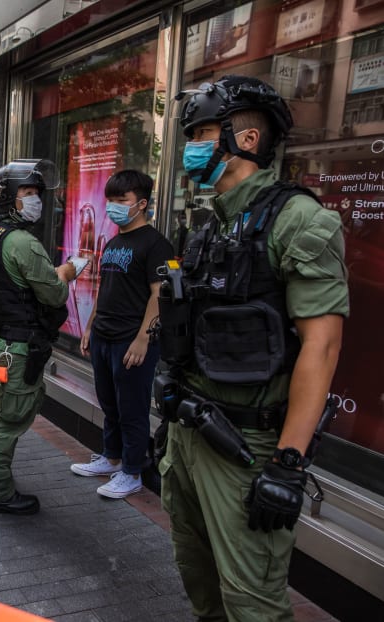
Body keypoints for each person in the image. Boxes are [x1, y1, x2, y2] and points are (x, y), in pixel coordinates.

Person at [157, 75, 348, 621]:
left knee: (252, 601)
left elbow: (324, 345)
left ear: (244, 141)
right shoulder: (208, 226)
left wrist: (288, 463)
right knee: (197, 574)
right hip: (188, 434)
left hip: (247, 448)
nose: (191, 144)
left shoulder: (299, 220)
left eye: (203, 131)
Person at [0, 159, 79, 515]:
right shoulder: (21, 243)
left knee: (5, 415)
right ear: (7, 197)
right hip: (16, 349)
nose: (36, 200)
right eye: (28, 193)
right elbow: (55, 295)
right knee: (6, 423)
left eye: (37, 193)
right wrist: (66, 271)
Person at [71, 170, 173, 498]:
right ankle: (112, 458)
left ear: (141, 203)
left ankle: (132, 471)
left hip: (132, 339)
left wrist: (144, 338)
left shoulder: (158, 245)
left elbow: (161, 295)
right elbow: (105, 287)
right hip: (104, 334)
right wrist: (89, 326)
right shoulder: (114, 242)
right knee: (109, 402)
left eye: (122, 200)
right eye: (110, 200)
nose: (113, 206)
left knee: (132, 407)